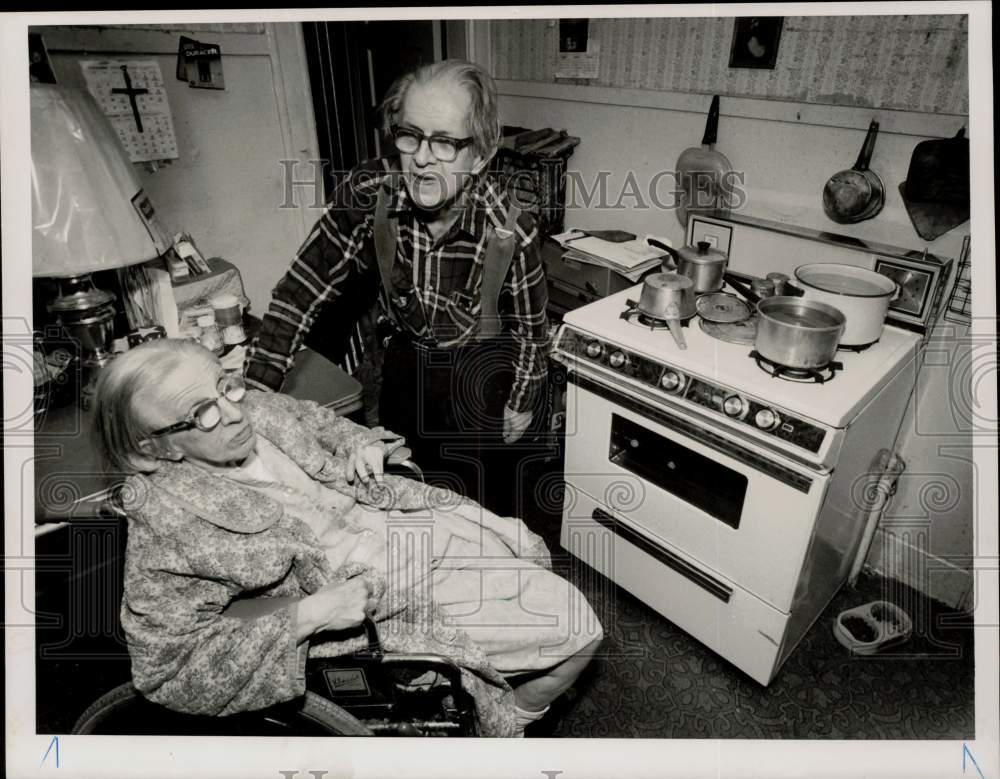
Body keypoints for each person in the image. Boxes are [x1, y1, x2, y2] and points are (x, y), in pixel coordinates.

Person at [95, 339, 601, 737]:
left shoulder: (254, 409)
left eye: (227, 385)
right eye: (203, 411)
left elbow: (320, 420)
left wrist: (362, 443)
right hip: (377, 591)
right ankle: (511, 718)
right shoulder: (170, 523)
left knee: (521, 548)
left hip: (393, 524)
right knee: (578, 628)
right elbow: (165, 667)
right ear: (152, 446)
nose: (233, 412)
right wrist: (313, 613)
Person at [245, 59, 549, 517]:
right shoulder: (369, 193)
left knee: (474, 504)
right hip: (405, 361)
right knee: (398, 484)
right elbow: (298, 294)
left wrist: (522, 401)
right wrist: (253, 395)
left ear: (481, 155)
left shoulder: (511, 229)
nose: (422, 157)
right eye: (411, 135)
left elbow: (531, 329)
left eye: (445, 142)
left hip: (479, 369)